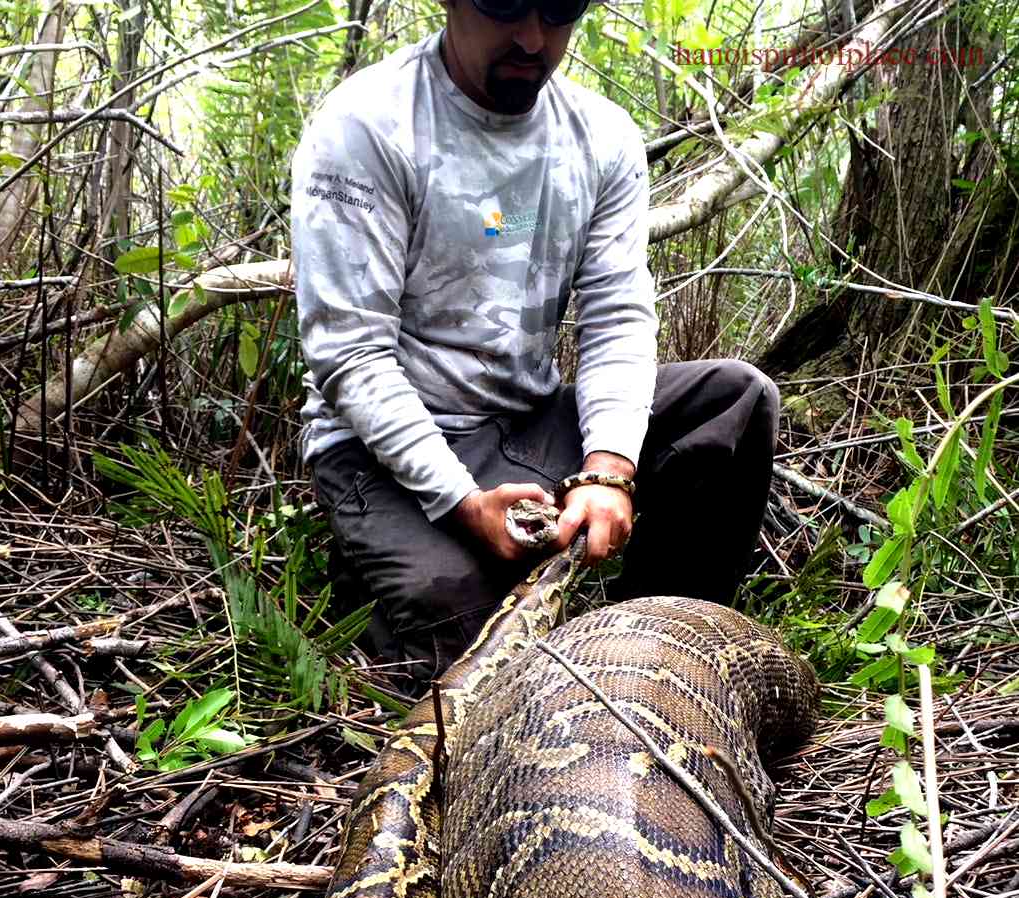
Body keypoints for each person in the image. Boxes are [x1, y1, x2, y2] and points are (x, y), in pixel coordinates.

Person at [292, 0, 779, 697]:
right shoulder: (367, 126)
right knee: (475, 660)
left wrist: (608, 468)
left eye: (558, 10)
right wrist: (462, 502)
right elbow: (350, 354)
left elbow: (616, 315)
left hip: (525, 419)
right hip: (383, 454)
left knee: (737, 401)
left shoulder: (601, 137)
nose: (531, 37)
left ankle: (661, 653)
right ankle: (387, 571)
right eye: (504, 5)